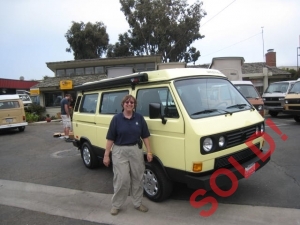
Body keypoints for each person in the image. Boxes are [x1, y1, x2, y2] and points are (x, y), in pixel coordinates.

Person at [103, 94, 153, 216]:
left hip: (135, 150)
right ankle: (116, 205)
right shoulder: (116, 119)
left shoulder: (139, 118)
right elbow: (110, 138)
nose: (129, 104)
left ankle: (137, 203)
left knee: (138, 177)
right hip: (119, 151)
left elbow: (145, 136)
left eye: (132, 102)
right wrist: (106, 155)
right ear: (123, 104)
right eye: (127, 102)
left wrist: (149, 151)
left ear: (134, 105)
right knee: (122, 179)